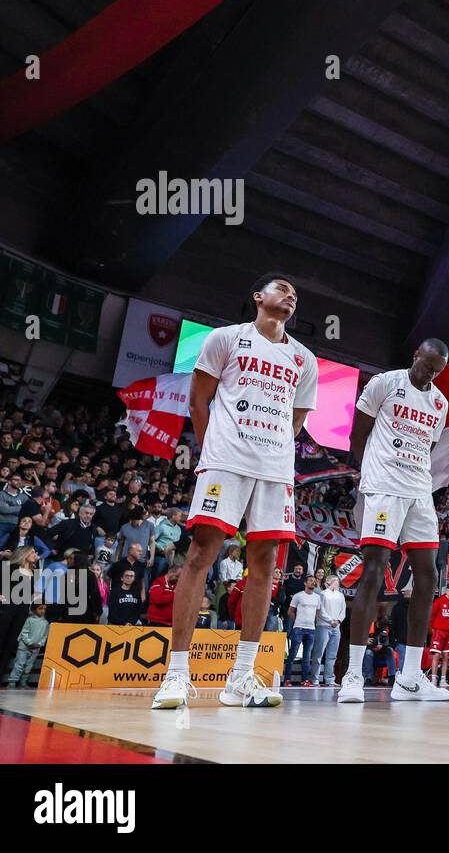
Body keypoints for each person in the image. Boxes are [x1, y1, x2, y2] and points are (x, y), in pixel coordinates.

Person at [152, 275, 319, 710]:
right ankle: (175, 674)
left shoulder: (305, 358)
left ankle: (241, 678)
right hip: (226, 461)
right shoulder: (225, 340)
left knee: (265, 565)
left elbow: (296, 421)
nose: (290, 296)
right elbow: (198, 402)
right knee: (200, 555)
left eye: (295, 295)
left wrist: (271, 445)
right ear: (258, 297)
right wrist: (214, 449)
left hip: (275, 468)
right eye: (281, 289)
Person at [339, 339, 449, 703]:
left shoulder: (440, 402)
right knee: (374, 571)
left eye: (436, 370)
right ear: (415, 357)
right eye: (426, 365)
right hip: (384, 486)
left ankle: (410, 677)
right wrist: (365, 472)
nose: (429, 374)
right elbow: (359, 431)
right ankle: (353, 675)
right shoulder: (385, 383)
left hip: (419, 490)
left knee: (428, 577)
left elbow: (429, 446)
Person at [285, 575, 321, 685]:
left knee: (307, 656)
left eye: (314, 581)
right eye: (310, 581)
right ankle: (287, 679)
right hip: (299, 628)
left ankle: (305, 680)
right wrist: (297, 621)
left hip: (311, 629)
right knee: (293, 654)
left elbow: (318, 612)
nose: (312, 583)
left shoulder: (317, 597)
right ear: (305, 583)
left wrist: (314, 622)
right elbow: (290, 611)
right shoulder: (298, 596)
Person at [312, 575, 346, 686]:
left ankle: (330, 679)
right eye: (335, 582)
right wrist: (330, 620)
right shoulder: (323, 594)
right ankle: (315, 678)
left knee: (332, 655)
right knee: (319, 653)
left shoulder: (340, 595)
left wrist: (338, 621)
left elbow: (343, 611)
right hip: (323, 626)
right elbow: (320, 611)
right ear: (328, 583)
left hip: (336, 628)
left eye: (337, 582)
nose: (337, 584)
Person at [6, 602, 49, 687]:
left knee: (29, 666)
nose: (43, 611)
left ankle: (23, 682)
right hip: (24, 647)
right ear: (34, 609)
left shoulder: (45, 623)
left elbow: (45, 636)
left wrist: (39, 644)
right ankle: (12, 682)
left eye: (44, 609)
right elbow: (24, 633)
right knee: (19, 664)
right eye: (40, 608)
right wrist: (30, 643)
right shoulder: (29, 620)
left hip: (35, 648)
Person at [428, 584, 449, 688]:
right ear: (446, 590)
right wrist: (432, 629)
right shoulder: (439, 601)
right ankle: (433, 679)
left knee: (446, 656)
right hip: (438, 631)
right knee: (436, 655)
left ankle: (443, 679)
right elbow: (432, 615)